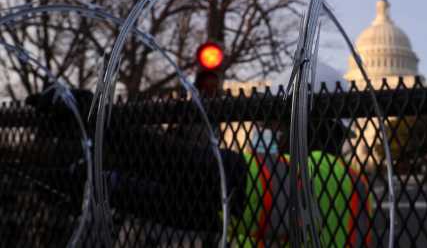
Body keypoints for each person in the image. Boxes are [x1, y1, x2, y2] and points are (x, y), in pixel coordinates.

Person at [20, 89, 373, 247]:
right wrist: (106, 186)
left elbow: (192, 167)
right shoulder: (353, 193)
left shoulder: (326, 177)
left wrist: (97, 119)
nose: (281, 134)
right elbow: (194, 206)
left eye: (289, 126)